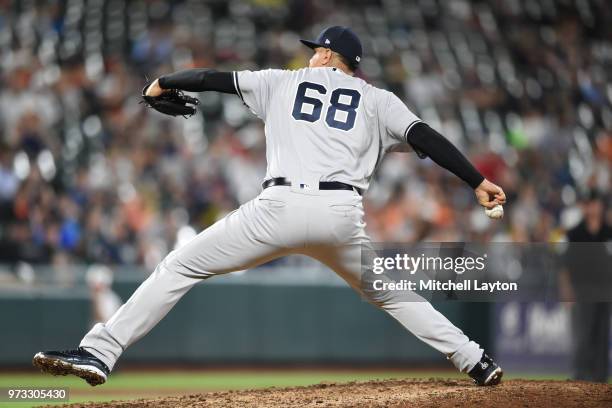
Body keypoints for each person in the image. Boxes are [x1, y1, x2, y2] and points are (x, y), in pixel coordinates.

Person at [33, 26, 506, 387]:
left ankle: (100, 351)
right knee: (390, 293)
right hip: (340, 216)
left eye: (314, 49)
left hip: (277, 207)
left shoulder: (282, 81)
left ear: (324, 53)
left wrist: (160, 83)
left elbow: (210, 79)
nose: (311, 54)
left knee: (180, 266)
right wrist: (477, 180)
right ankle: (475, 360)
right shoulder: (379, 101)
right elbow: (426, 138)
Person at [563, 190, 611, 382]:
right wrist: (567, 291)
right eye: (589, 203)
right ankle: (580, 375)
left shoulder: (608, 232)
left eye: (596, 203)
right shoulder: (575, 233)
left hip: (605, 289)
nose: (593, 207)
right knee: (583, 335)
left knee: (602, 334)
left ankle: (600, 377)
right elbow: (564, 265)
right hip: (582, 289)